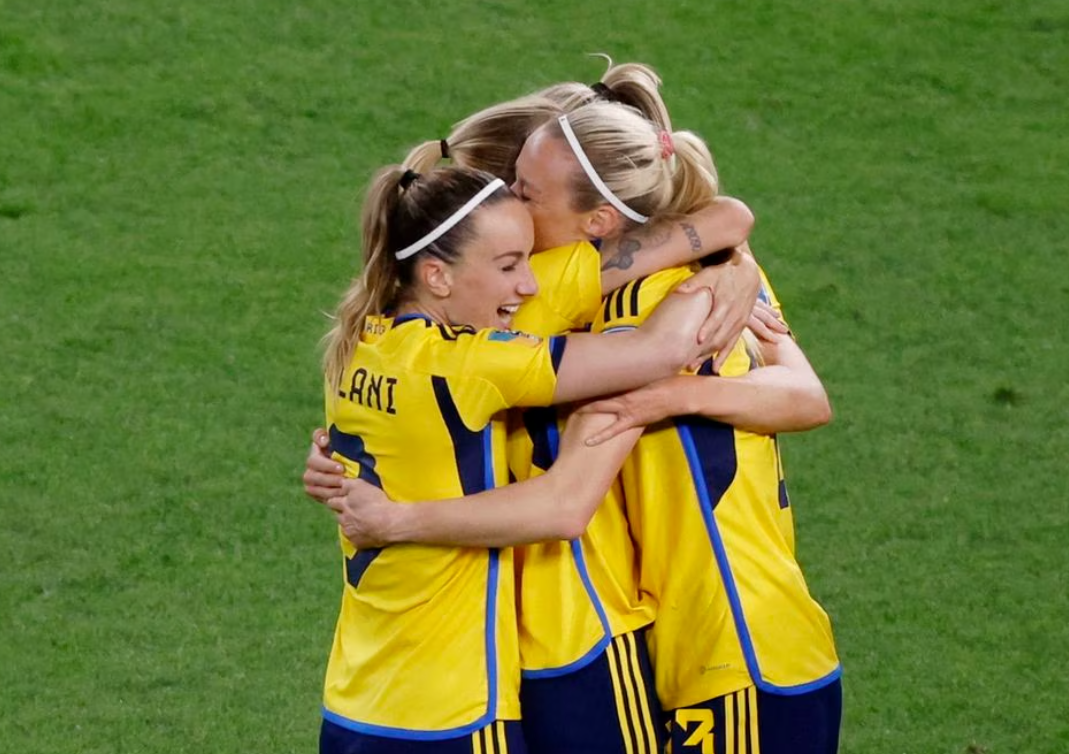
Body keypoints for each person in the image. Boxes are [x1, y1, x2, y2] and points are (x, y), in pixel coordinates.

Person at [318, 162, 720, 754]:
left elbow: (718, 221)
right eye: (509, 267)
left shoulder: (357, 345)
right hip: (450, 713)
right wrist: (729, 273)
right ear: (437, 275)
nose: (529, 285)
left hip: (356, 701)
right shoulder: (469, 364)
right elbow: (665, 349)